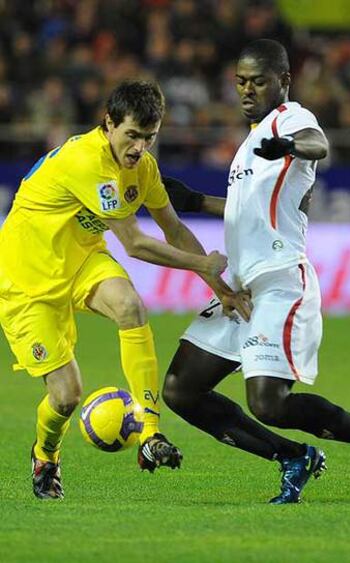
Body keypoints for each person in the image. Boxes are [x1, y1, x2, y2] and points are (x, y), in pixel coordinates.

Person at [162, 39, 350, 504]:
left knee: (268, 403)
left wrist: (289, 144)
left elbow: (319, 144)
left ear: (283, 81)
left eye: (258, 81)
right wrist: (195, 201)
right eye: (240, 81)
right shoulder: (247, 145)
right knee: (181, 390)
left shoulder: (291, 119)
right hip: (239, 287)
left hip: (279, 281)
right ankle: (292, 456)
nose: (247, 90)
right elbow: (252, 208)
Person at [0, 80, 252, 500]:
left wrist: (221, 288)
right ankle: (46, 454)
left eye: (149, 138)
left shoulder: (143, 168)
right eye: (131, 135)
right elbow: (135, 243)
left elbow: (173, 229)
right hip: (24, 281)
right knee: (66, 397)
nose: (138, 147)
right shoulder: (87, 162)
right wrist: (201, 263)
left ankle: (150, 433)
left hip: (81, 259)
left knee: (130, 306)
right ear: (109, 123)